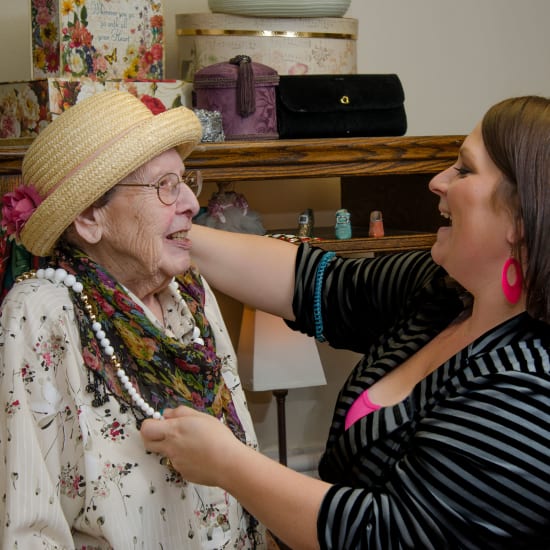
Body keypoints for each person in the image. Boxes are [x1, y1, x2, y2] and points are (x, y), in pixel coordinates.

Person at [141, 95, 550, 550]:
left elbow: (388, 536)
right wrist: (173, 234)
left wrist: (228, 465)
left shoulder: (529, 386)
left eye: (465, 170)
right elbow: (319, 283)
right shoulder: (443, 294)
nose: (438, 182)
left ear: (519, 217)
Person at [0, 90, 270, 548]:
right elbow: (30, 526)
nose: (189, 202)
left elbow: (242, 450)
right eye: (165, 185)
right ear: (89, 216)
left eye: (187, 181)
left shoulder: (189, 293)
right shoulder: (41, 313)